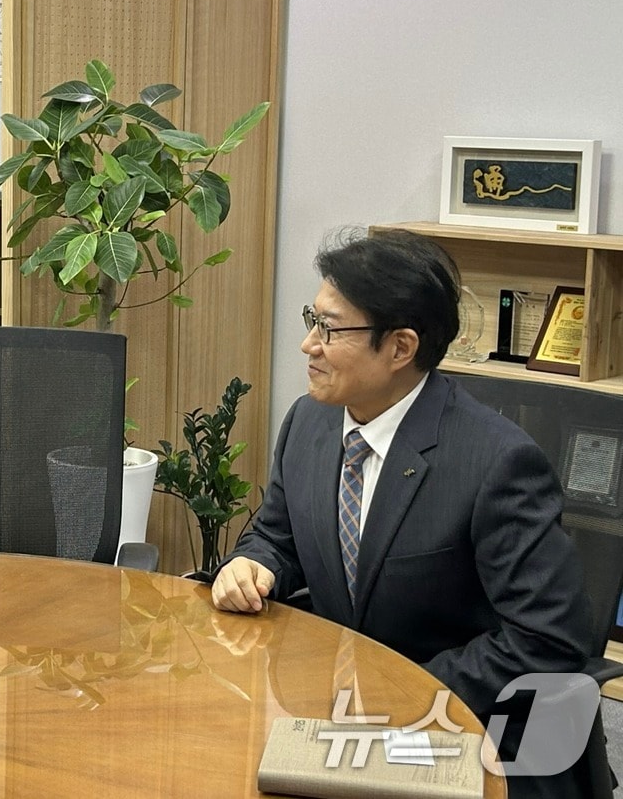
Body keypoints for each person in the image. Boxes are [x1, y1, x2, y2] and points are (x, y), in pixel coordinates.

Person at [211, 228, 595, 795]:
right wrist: (254, 565)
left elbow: (550, 638)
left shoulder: (497, 462)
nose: (308, 345)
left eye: (330, 329)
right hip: (338, 715)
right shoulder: (309, 424)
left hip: (458, 727)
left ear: (400, 348)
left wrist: (398, 688)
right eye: (311, 320)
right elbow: (277, 536)